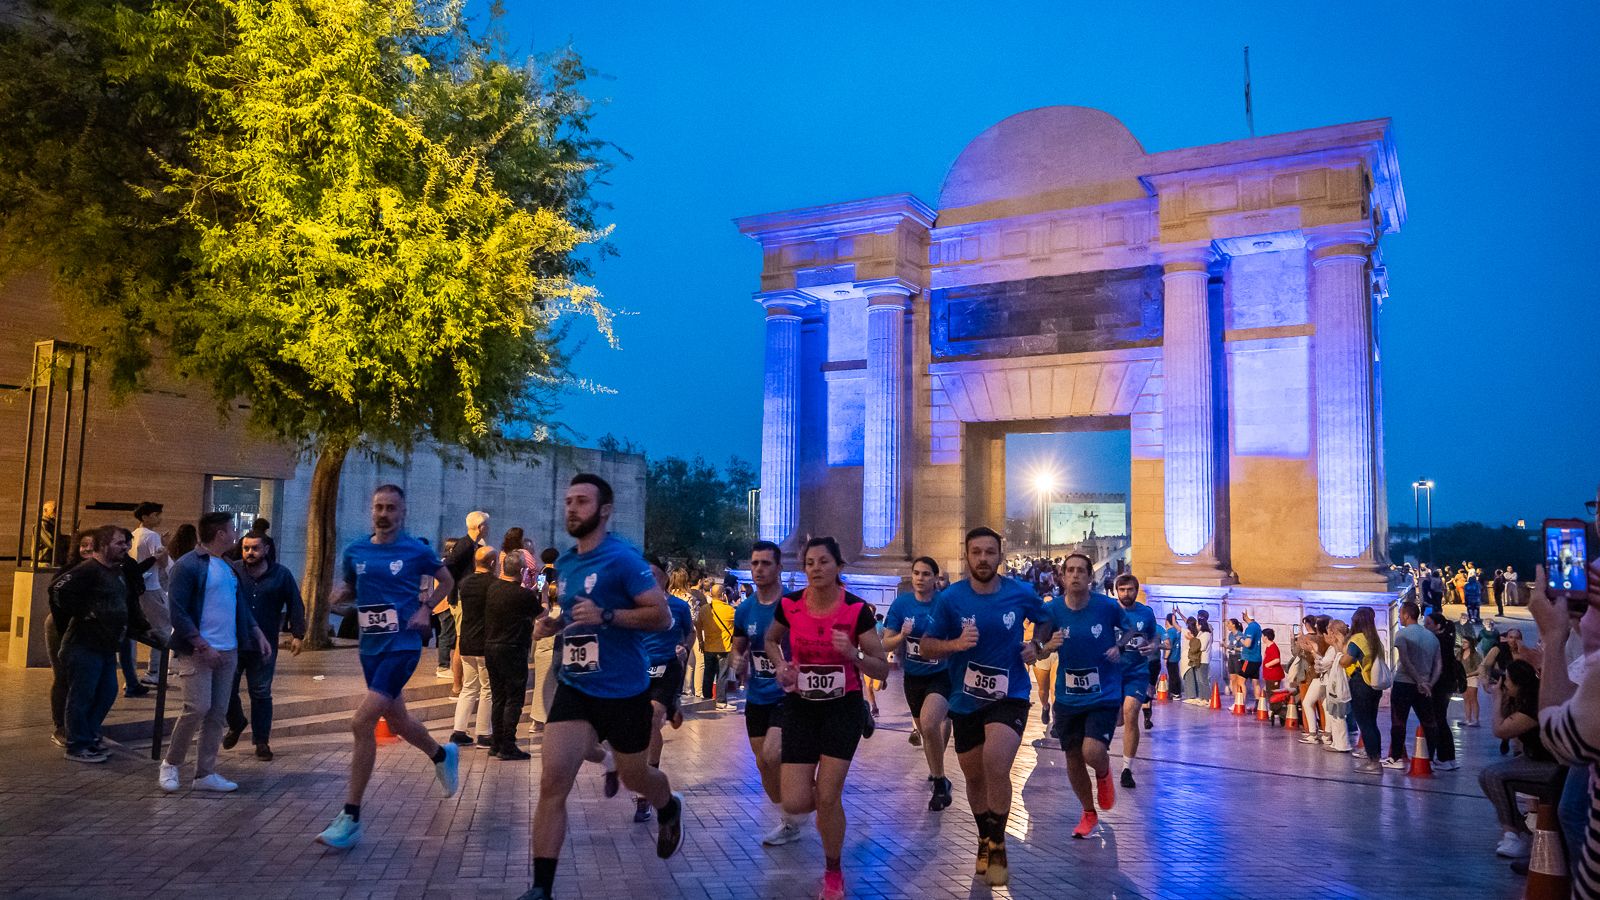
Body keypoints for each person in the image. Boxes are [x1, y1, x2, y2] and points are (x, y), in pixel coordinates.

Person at [519, 474, 685, 900]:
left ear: (604, 510)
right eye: (568, 501)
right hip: (577, 686)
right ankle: (541, 888)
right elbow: (577, 615)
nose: (572, 508)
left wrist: (609, 617)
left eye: (582, 501)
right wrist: (554, 624)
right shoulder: (569, 564)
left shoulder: (625, 560)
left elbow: (661, 617)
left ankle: (668, 804)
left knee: (636, 777)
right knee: (553, 782)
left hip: (625, 691)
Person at [314, 485, 461, 849]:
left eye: (391, 508)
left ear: (402, 512)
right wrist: (338, 595)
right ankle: (441, 754)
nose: (384, 514)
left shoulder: (416, 550)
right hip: (371, 647)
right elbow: (351, 585)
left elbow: (447, 580)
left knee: (362, 721)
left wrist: (427, 608)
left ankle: (351, 816)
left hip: (404, 645)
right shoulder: (356, 550)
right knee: (397, 721)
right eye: (379, 507)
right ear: (371, 510)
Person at [918, 527, 1050, 886]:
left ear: (1000, 557)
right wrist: (956, 645)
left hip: (1010, 695)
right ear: (966, 556)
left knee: (995, 762)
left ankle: (999, 844)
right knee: (974, 775)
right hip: (965, 699)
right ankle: (984, 838)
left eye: (989, 552)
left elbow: (1046, 619)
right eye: (976, 552)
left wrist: (1035, 645)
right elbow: (927, 645)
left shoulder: (1020, 592)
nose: (982, 559)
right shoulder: (951, 599)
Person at [764, 537, 889, 900]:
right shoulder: (789, 606)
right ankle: (829, 809)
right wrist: (781, 667)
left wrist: (852, 653)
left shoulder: (856, 610)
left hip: (843, 708)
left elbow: (881, 669)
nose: (816, 568)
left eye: (823, 561)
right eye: (809, 563)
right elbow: (772, 641)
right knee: (795, 802)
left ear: (838, 566)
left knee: (829, 795)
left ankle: (833, 872)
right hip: (802, 707)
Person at [161, 513, 274, 792]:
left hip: (228, 649)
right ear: (220, 534)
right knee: (196, 707)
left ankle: (205, 773)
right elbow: (178, 612)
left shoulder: (228, 567)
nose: (236, 533)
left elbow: (239, 606)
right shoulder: (188, 565)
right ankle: (171, 764)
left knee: (217, 712)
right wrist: (201, 644)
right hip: (198, 651)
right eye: (231, 529)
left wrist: (256, 632)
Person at [1040, 553, 1123, 837]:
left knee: (1092, 751)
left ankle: (1103, 771)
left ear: (1090, 577)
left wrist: (1120, 647)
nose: (1075, 575)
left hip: (1103, 693)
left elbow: (1133, 628)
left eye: (1081, 571)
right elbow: (1038, 647)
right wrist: (1047, 645)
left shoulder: (1108, 607)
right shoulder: (1052, 611)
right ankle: (1088, 813)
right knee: (1073, 757)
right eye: (1070, 570)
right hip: (1067, 697)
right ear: (1062, 577)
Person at [731, 540, 807, 844]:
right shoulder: (745, 610)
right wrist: (737, 663)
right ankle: (790, 821)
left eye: (765, 563)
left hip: (787, 695)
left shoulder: (793, 606)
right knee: (763, 763)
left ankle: (802, 788)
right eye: (755, 563)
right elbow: (740, 646)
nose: (759, 569)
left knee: (771, 753)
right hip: (757, 696)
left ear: (779, 568)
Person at [49, 525, 132, 762]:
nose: (124, 547)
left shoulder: (115, 571)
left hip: (105, 645)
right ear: (104, 545)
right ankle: (77, 744)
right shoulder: (88, 570)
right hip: (84, 645)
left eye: (125, 543)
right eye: (119, 543)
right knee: (82, 695)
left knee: (107, 692)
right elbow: (56, 589)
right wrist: (84, 613)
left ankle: (88, 734)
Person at [221, 533, 305, 761]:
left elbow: (295, 603)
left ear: (266, 549)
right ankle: (236, 723)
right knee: (226, 688)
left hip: (264, 645)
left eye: (255, 548)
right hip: (233, 642)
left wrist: (298, 634)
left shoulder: (281, 574)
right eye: (246, 548)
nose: (249, 553)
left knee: (260, 693)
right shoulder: (233, 570)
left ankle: (261, 741)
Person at [881, 556, 955, 812]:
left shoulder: (945, 604)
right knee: (927, 732)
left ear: (936, 578)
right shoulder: (901, 605)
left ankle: (938, 783)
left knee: (929, 721)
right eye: (916, 573)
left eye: (926, 574)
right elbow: (885, 642)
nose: (920, 578)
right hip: (914, 677)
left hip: (942, 674)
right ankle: (940, 775)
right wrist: (902, 635)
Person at [632, 554, 694, 823]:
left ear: (665, 577)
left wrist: (685, 646)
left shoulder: (679, 606)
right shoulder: (634, 605)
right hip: (638, 671)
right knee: (638, 727)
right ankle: (673, 708)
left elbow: (690, 632)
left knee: (650, 721)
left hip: (667, 668)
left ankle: (646, 790)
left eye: (654, 575)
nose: (650, 580)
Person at [485, 547, 541, 759]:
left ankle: (496, 743)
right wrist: (542, 594)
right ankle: (508, 744)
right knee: (514, 698)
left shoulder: (492, 588)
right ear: (523, 571)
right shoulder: (524, 595)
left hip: (491, 646)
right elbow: (541, 614)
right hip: (513, 648)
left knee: (498, 697)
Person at [448, 546, 497, 750]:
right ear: (493, 563)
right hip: (485, 643)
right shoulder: (494, 585)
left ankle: (458, 731)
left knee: (469, 687)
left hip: (466, 642)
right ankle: (484, 733)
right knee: (487, 689)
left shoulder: (464, 583)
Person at [1383, 601, 1442, 770]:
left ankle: (1396, 758)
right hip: (1425, 686)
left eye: (1401, 614)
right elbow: (1439, 664)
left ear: (1407, 615)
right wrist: (1429, 683)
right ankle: (1429, 757)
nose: (1400, 617)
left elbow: (1405, 660)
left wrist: (1418, 681)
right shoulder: (1431, 637)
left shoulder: (1402, 635)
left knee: (1398, 722)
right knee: (1429, 722)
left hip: (1404, 683)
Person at [1113, 573, 1157, 788]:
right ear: (1116, 591)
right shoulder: (1108, 611)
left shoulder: (1146, 613)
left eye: (1130, 589)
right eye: (1122, 590)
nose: (1126, 593)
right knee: (1118, 719)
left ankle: (1126, 769)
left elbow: (1155, 636)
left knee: (1131, 714)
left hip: (1137, 672)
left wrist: (1154, 645)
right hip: (1111, 674)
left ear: (1136, 590)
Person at [442, 510, 492, 691]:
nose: (488, 528)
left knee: (463, 638)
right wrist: (457, 585)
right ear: (480, 527)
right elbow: (448, 565)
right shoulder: (465, 545)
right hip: (462, 598)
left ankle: (460, 683)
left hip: (466, 597)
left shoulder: (474, 545)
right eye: (486, 525)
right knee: (460, 639)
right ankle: (457, 685)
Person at [1340, 606, 1387, 774]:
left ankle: (1373, 762)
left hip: (1361, 684)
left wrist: (1341, 658)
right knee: (1372, 723)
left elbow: (1347, 660)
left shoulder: (1358, 639)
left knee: (1365, 724)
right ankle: (1376, 758)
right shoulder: (1375, 639)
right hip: (1374, 686)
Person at [130, 501, 169, 687]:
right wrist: (165, 547)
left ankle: (131, 676)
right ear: (145, 517)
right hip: (151, 588)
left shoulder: (132, 535)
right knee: (162, 629)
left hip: (133, 589)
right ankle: (154, 671)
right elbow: (161, 562)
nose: (159, 518)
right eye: (156, 515)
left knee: (131, 633)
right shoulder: (152, 536)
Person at [529, 546, 561, 732]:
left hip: (545, 608)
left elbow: (539, 592)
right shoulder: (559, 573)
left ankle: (538, 719)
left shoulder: (542, 573)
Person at [697, 581, 736, 707]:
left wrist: (701, 641)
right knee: (722, 675)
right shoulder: (730, 610)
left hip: (708, 646)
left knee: (708, 673)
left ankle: (707, 699)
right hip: (724, 648)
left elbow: (698, 626)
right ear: (723, 595)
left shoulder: (703, 610)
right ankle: (720, 701)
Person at [1240, 610, 1264, 708]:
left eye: (1243, 614)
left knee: (1240, 681)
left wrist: (1240, 638)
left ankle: (1240, 704)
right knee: (1255, 682)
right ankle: (1258, 704)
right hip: (1257, 659)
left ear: (1246, 615)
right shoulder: (1258, 626)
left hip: (1248, 659)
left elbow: (1247, 643)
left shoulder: (1250, 628)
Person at [1162, 613, 1183, 702]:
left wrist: (1165, 658)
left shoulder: (1170, 632)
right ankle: (1176, 693)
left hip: (1171, 657)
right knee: (1175, 674)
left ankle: (1175, 693)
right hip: (1176, 656)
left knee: (1173, 675)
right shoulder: (1176, 631)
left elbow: (1168, 646)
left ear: (1167, 621)